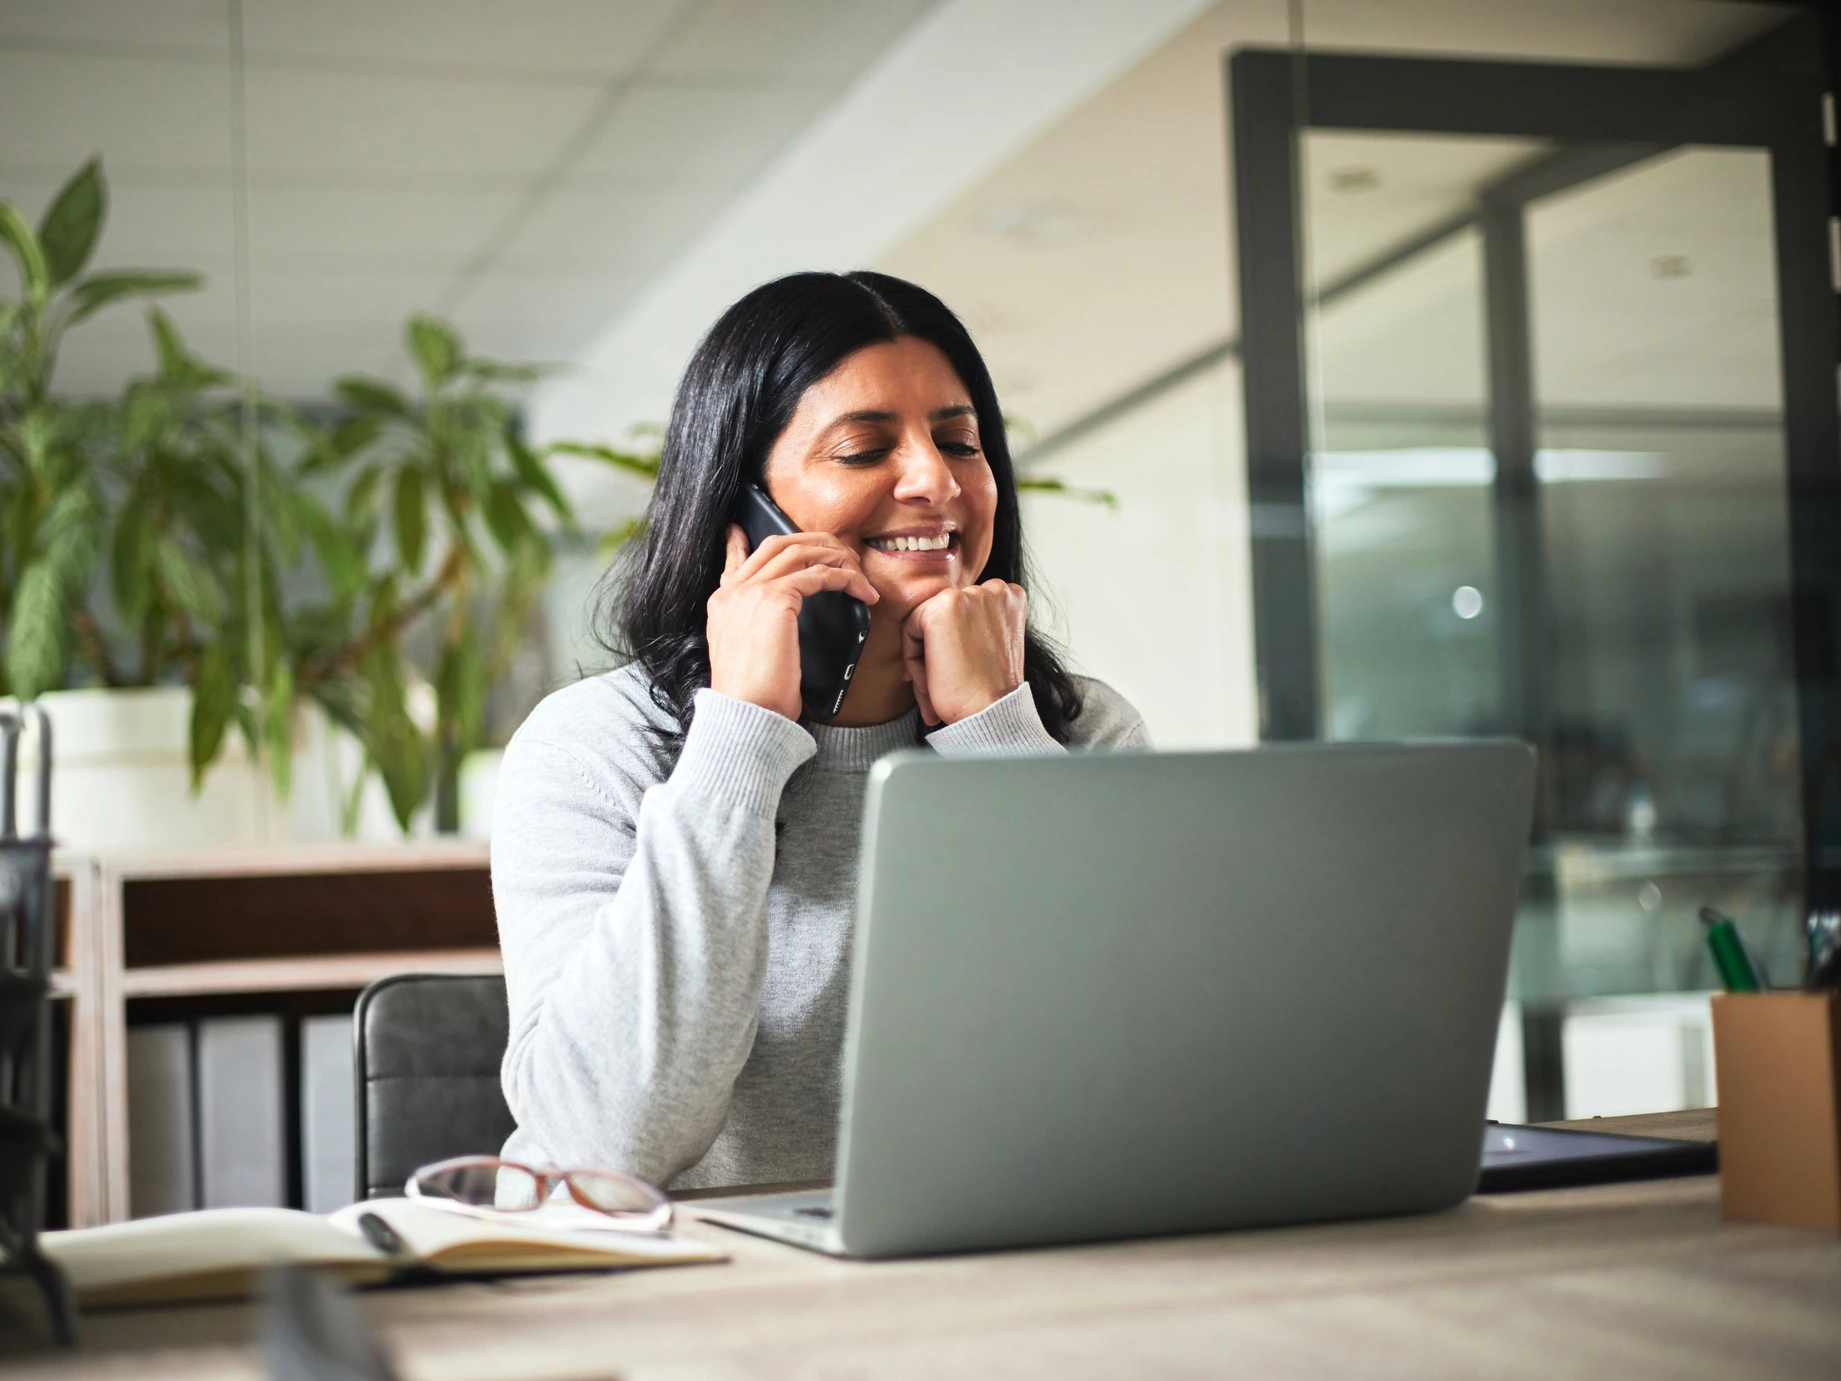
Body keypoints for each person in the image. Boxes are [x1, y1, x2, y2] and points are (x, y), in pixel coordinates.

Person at [491, 271, 1150, 1190]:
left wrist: (996, 742)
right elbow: (604, 1143)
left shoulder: (1075, 733)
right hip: (664, 1287)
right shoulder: (592, 748)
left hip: (979, 1270)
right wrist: (741, 733)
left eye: (958, 441)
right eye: (861, 449)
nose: (934, 480)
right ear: (745, 508)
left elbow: (1138, 1073)